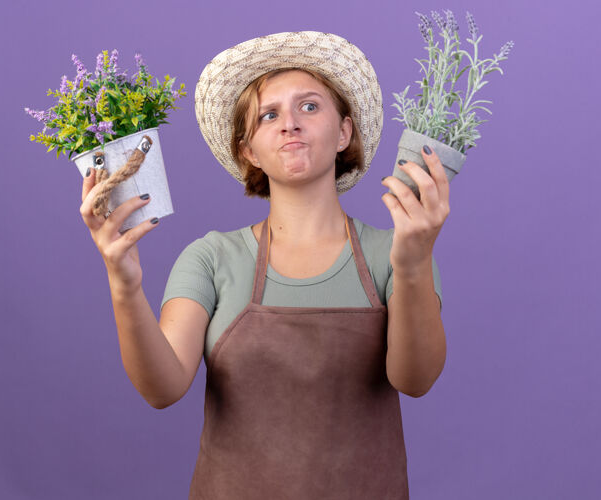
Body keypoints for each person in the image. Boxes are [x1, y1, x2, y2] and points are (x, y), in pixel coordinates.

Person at [79, 31, 449, 499]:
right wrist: (124, 284)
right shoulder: (211, 258)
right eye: (269, 115)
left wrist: (414, 265)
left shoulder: (395, 254)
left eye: (310, 107)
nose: (289, 124)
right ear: (249, 151)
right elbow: (162, 388)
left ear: (344, 133)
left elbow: (415, 380)